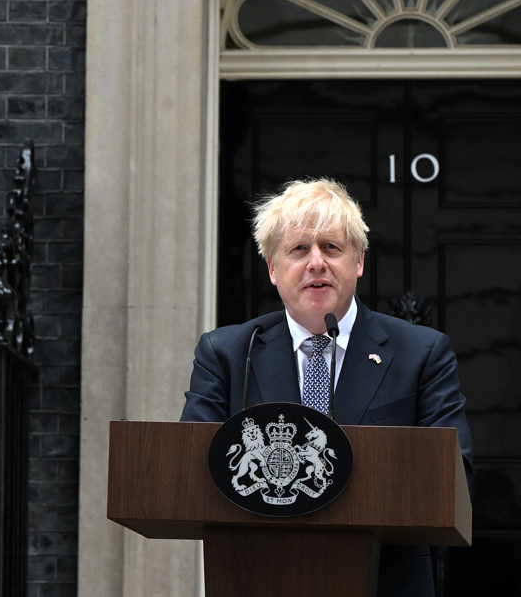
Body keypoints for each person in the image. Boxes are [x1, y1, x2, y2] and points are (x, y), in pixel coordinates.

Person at [181, 177, 472, 597]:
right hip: (258, 576)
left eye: (332, 248)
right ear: (272, 269)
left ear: (358, 262)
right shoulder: (227, 354)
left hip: (385, 581)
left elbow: (455, 474)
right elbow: (191, 472)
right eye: (299, 249)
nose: (316, 262)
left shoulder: (421, 352)